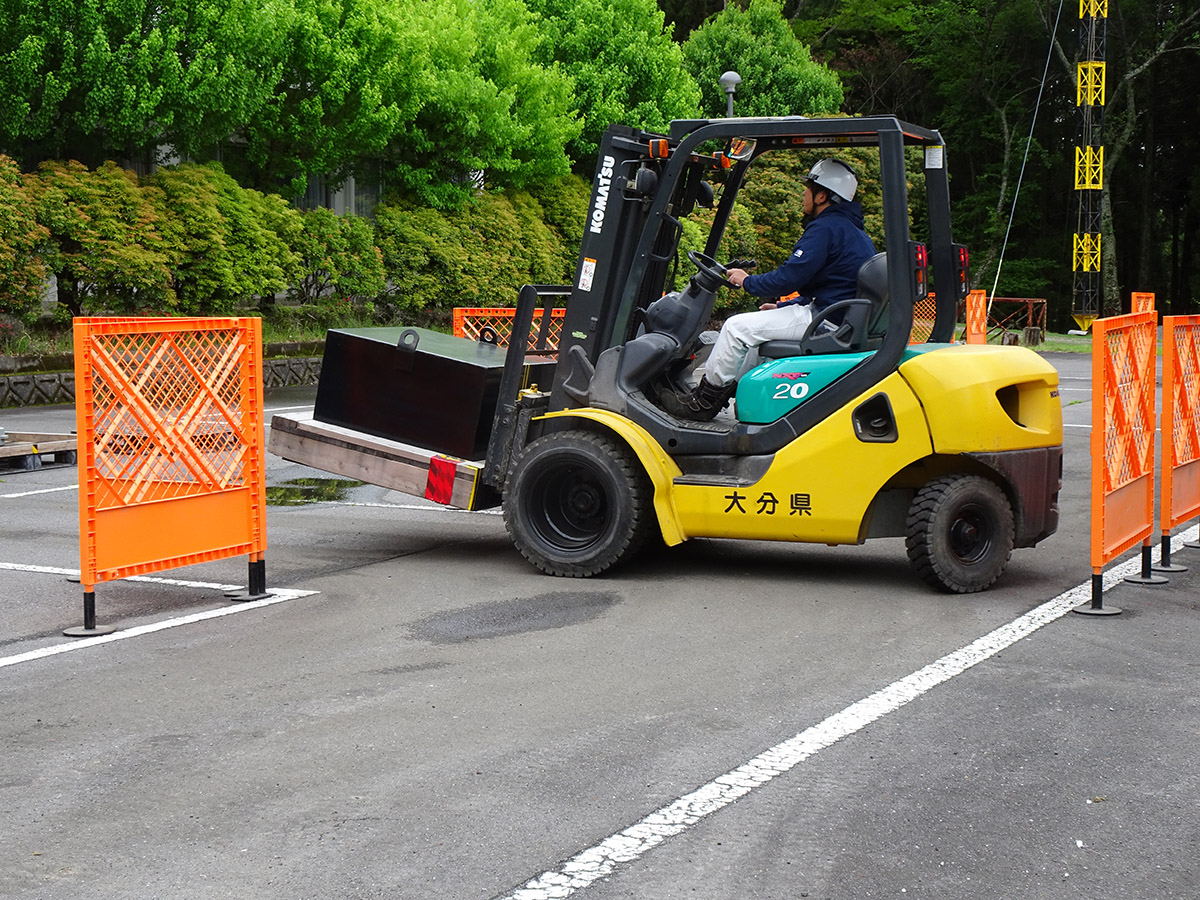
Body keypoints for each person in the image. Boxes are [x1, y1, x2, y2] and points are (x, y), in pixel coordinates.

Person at [660, 158, 876, 422]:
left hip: (826, 319)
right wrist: (783, 306)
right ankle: (731, 398)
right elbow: (830, 281)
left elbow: (789, 278)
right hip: (834, 314)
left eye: (808, 189)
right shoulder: (851, 231)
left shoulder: (827, 228)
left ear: (822, 196)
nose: (803, 194)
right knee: (754, 335)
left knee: (735, 327)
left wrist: (745, 281)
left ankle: (702, 403)